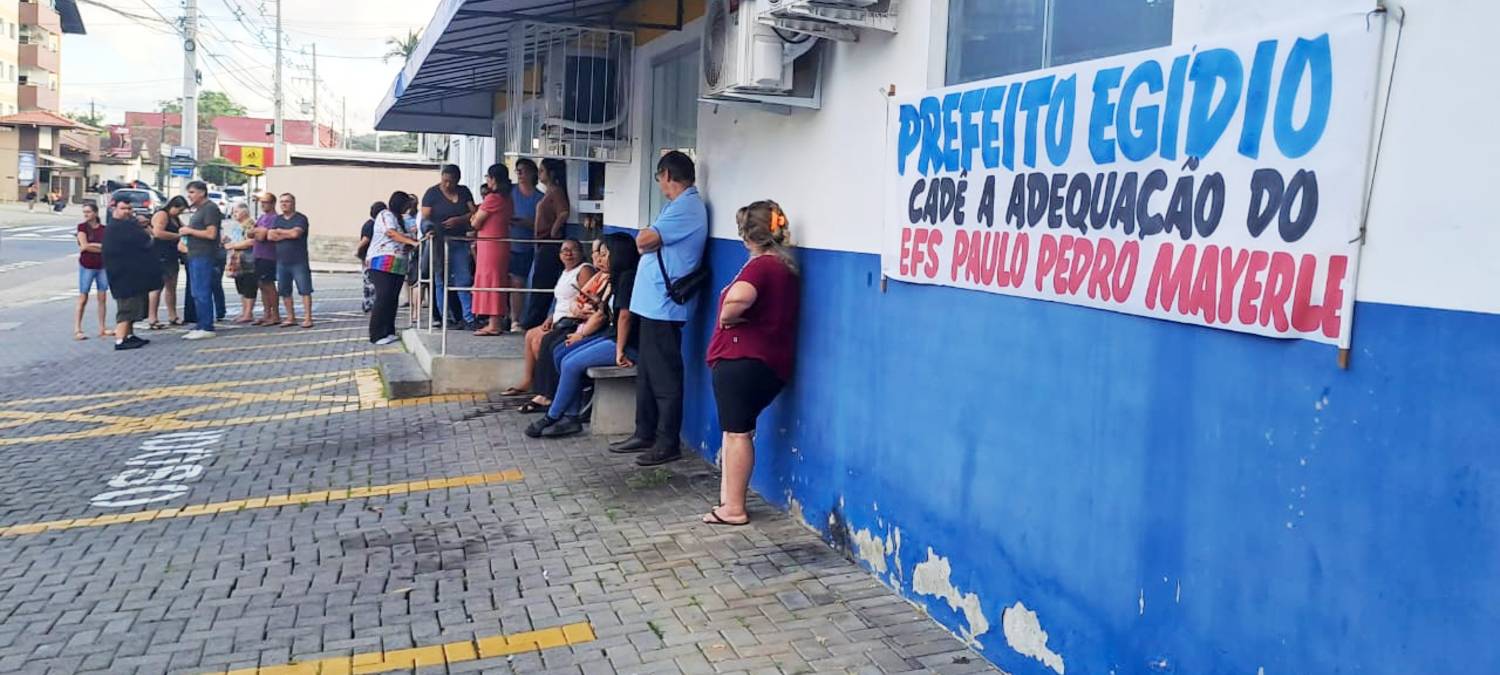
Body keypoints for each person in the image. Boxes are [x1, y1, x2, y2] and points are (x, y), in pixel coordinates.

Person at [702, 201, 801, 526]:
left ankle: (733, 508)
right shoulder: (784, 266)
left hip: (741, 360)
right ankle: (728, 501)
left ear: (747, 235)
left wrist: (728, 316)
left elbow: (739, 297)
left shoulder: (760, 267)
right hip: (764, 362)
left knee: (736, 434)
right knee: (738, 431)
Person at [610, 151, 709, 466]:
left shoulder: (688, 207)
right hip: (652, 305)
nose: (659, 184)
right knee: (648, 374)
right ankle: (645, 431)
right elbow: (647, 240)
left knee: (665, 378)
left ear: (667, 175)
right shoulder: (675, 206)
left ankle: (667, 442)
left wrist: (647, 235)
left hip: (664, 307)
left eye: (659, 178)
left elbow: (644, 240)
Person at [524, 233, 639, 439]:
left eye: (605, 254)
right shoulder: (614, 277)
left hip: (627, 343)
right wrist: (597, 303)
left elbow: (625, 317)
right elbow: (609, 312)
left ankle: (552, 415)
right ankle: (571, 416)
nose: (600, 259)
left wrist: (620, 350)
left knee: (570, 364)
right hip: (612, 335)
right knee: (560, 353)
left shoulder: (628, 278)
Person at [504, 238, 597, 401]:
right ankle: (529, 380)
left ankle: (549, 388)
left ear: (581, 253)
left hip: (572, 322)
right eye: (564, 251)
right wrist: (550, 317)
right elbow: (561, 300)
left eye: (573, 250)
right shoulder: (565, 272)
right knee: (530, 334)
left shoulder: (584, 270)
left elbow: (587, 301)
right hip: (558, 319)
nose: (568, 254)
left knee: (539, 341)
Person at [421, 164, 477, 328]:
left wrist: (459, 220)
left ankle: (468, 317)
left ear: (457, 180)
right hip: (439, 241)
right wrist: (429, 230)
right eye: (444, 180)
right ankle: (445, 317)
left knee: (463, 279)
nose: (447, 184)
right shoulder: (432, 193)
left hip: (459, 240)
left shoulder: (464, 192)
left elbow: (473, 212)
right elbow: (425, 217)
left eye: (451, 181)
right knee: (440, 279)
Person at [102, 199, 160, 350]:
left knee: (134, 306)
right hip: (122, 274)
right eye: (123, 208)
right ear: (114, 209)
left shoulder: (128, 225)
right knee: (126, 307)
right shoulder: (115, 227)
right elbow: (143, 241)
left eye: (129, 208)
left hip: (134, 273)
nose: (127, 211)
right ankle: (120, 339)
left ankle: (129, 335)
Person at [521, 159, 571, 330]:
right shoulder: (548, 192)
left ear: (551, 173)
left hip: (549, 243)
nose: (539, 174)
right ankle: (534, 318)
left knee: (542, 282)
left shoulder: (556, 191)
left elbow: (563, 212)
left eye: (542, 170)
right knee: (539, 281)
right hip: (543, 242)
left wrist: (554, 231)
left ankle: (534, 319)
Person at [367, 192, 420, 345]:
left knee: (392, 298)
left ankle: (388, 331)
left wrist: (412, 242)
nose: (407, 208)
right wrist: (411, 242)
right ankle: (376, 334)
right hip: (382, 262)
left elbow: (408, 237)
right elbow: (391, 233)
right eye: (406, 205)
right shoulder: (385, 214)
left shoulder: (402, 219)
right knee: (383, 296)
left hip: (398, 264)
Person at [470, 164, 514, 336]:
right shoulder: (507, 198)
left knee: (491, 280)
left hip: (490, 244)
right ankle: (494, 321)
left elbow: (476, 222)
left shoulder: (492, 198)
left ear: (493, 179)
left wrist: (474, 217)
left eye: (488, 177)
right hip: (498, 242)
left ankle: (494, 323)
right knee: (496, 279)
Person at [179, 181, 223, 339]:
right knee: (196, 291)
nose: (189, 196)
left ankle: (206, 326)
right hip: (194, 254)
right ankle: (201, 323)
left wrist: (189, 231)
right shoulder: (199, 210)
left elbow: (211, 233)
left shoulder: (210, 208)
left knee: (202, 290)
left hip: (204, 254)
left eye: (192, 192)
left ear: (202, 192)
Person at [268, 193, 314, 328]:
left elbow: (296, 233)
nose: (284, 204)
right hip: (281, 262)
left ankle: (308, 318)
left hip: (299, 261)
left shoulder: (301, 218)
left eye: (287, 201)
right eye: (282, 202)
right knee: (284, 290)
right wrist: (287, 233)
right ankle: (290, 317)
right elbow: (270, 236)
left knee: (305, 290)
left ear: (293, 203)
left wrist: (280, 232)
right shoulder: (277, 219)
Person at [509, 158, 544, 330]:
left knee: (522, 283)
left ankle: (519, 318)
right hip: (508, 243)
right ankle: (508, 317)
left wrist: (526, 223)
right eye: (517, 170)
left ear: (532, 173)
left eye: (522, 170)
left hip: (527, 245)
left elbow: (541, 224)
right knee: (509, 282)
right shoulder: (510, 192)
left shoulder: (540, 198)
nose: (519, 174)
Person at [147, 196, 189, 329]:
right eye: (179, 210)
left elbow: (184, 228)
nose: (180, 213)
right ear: (173, 206)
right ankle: (152, 318)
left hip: (172, 255)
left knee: (171, 287)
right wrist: (177, 236)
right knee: (157, 287)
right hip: (160, 254)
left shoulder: (175, 218)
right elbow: (157, 233)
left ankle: (173, 315)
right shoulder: (162, 215)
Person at [73, 201, 110, 340]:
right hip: (87, 265)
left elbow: (108, 247)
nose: (86, 215)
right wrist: (99, 247)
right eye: (84, 212)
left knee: (102, 297)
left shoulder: (104, 229)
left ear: (95, 213)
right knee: (83, 296)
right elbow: (84, 246)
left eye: (88, 212)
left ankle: (102, 327)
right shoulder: (82, 227)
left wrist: (93, 245)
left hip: (102, 265)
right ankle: (77, 328)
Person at [223, 202, 260, 324]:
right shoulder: (237, 226)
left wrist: (233, 245)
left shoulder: (250, 224)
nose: (234, 214)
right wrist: (227, 240)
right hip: (238, 261)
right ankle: (244, 312)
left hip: (248, 260)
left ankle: (248, 313)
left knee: (249, 287)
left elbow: (251, 241)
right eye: (233, 212)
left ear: (244, 212)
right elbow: (236, 239)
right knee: (241, 287)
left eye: (236, 212)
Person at [250, 192, 281, 326]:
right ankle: (266, 313)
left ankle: (275, 315)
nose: (262, 205)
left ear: (273, 203)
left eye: (265, 202)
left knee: (269, 285)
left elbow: (262, 236)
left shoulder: (275, 218)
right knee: (261, 285)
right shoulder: (262, 217)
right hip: (257, 254)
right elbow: (250, 233)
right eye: (261, 202)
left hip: (268, 256)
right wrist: (257, 231)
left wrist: (258, 232)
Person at [358, 202, 384, 314]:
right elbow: (365, 240)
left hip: (368, 258)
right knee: (371, 284)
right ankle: (370, 304)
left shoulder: (371, 223)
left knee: (369, 283)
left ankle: (368, 304)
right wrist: (358, 251)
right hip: (369, 258)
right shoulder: (372, 225)